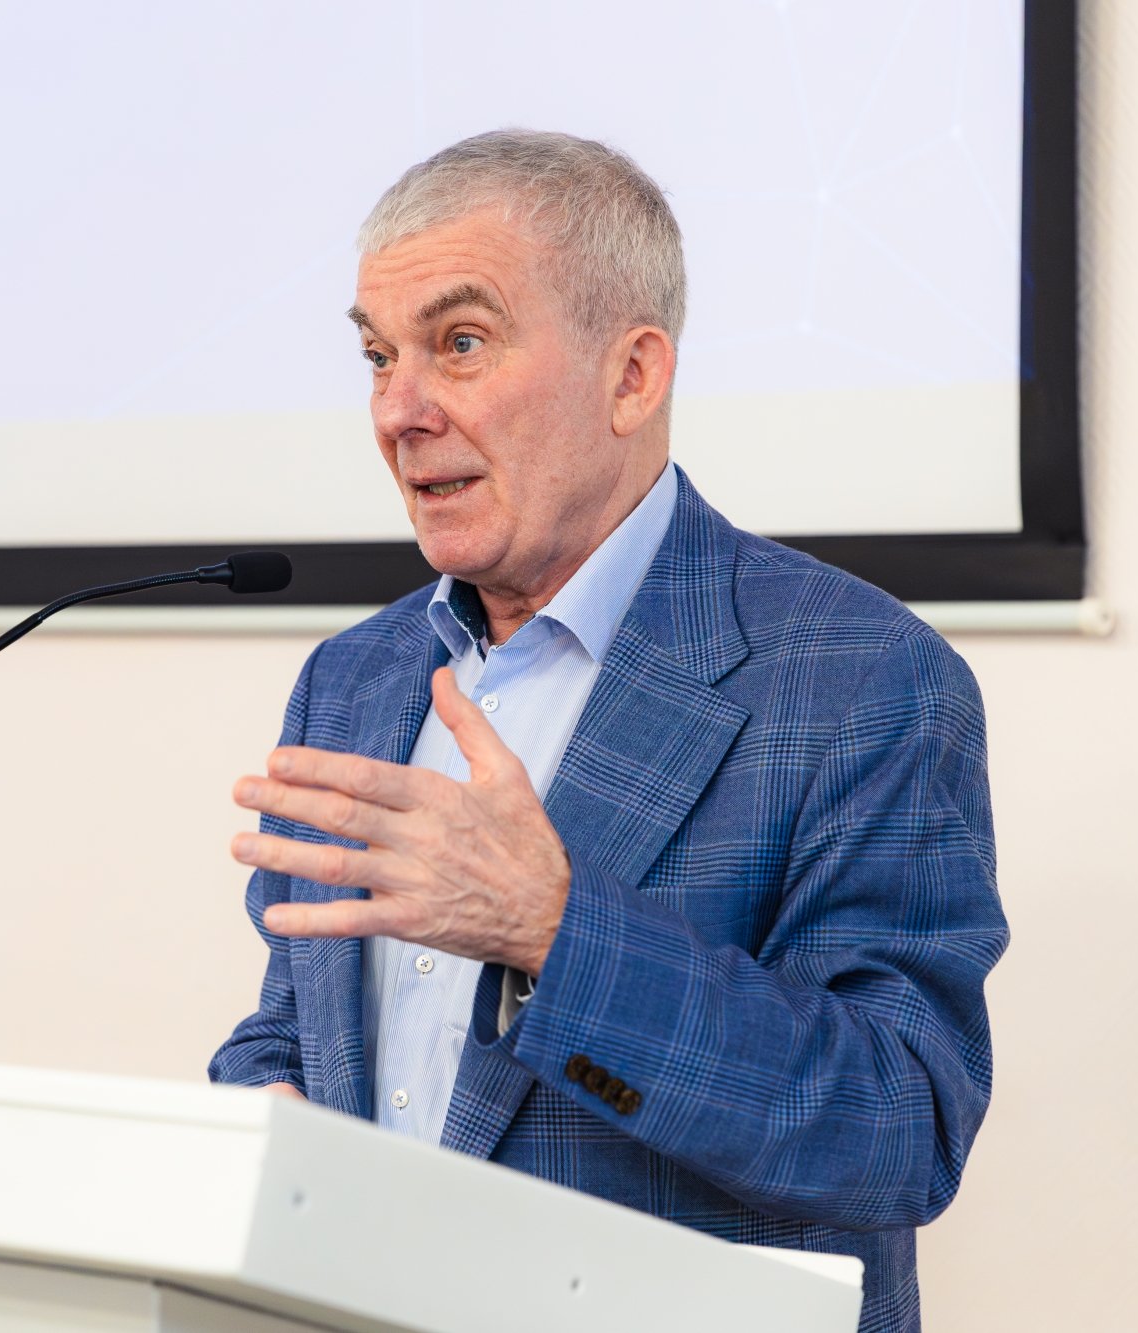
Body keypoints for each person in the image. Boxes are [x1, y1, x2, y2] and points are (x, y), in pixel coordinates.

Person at [209, 129, 1007, 1333]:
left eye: (458, 343)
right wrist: (261, 1103)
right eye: (377, 355)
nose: (397, 411)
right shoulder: (355, 679)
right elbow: (297, 1022)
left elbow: (896, 1127)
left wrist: (554, 929)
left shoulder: (860, 677)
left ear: (631, 376)